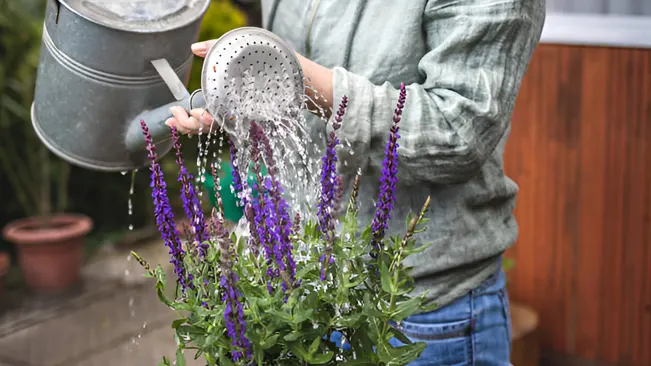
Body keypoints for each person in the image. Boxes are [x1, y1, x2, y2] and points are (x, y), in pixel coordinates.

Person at [167, 0, 545, 364]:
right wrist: (245, 97)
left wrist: (296, 79)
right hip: (302, 290)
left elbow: (456, 132)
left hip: (418, 310)